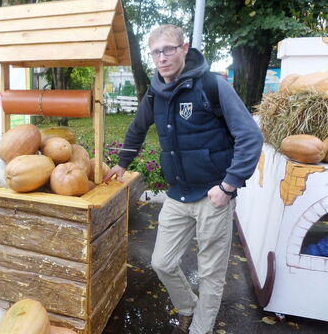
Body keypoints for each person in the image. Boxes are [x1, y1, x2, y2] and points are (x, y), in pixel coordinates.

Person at [104, 24, 263, 334]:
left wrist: (228, 185)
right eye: (156, 52)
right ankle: (188, 307)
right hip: (178, 193)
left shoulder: (212, 85)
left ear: (184, 48)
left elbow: (250, 136)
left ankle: (199, 329)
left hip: (214, 196)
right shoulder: (155, 92)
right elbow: (137, 128)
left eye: (168, 49)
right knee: (162, 262)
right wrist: (122, 164)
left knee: (211, 274)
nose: (162, 58)